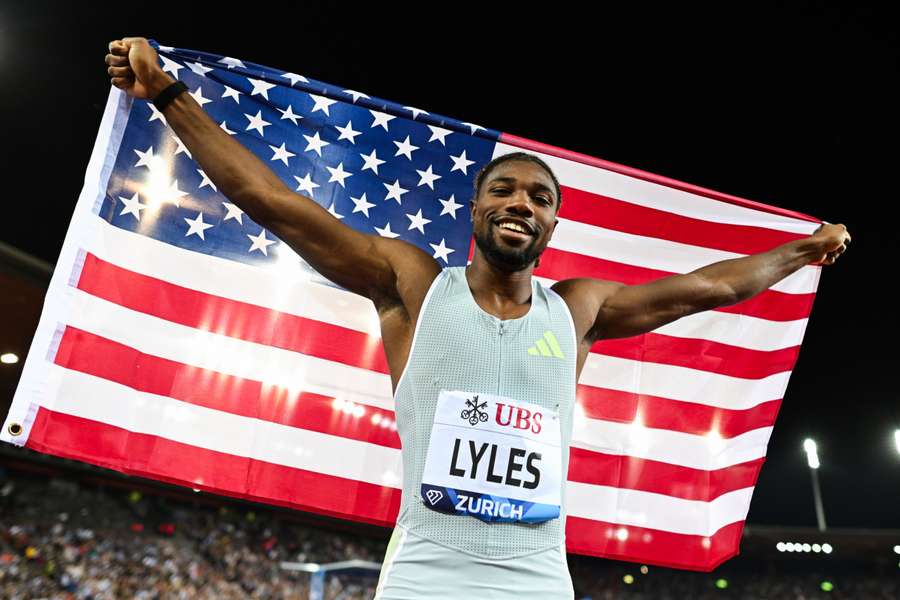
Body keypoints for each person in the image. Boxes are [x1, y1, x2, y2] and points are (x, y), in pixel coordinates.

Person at [104, 37, 851, 600]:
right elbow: (276, 204)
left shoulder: (579, 309)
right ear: (476, 207)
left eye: (538, 197)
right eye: (505, 190)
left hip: (536, 576)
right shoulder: (413, 285)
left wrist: (802, 250)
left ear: (553, 223)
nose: (520, 203)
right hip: (427, 571)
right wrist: (170, 95)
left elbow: (709, 287)